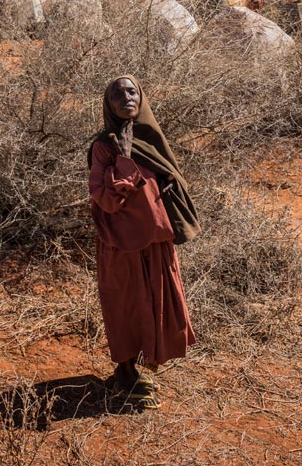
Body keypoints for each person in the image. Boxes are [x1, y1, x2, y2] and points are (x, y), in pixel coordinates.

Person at [87, 76, 200, 410]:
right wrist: (122, 160)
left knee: (161, 305)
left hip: (155, 241)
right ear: (108, 104)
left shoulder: (151, 137)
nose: (126, 97)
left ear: (142, 97)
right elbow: (104, 198)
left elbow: (172, 178)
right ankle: (125, 370)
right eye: (117, 94)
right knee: (125, 306)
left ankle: (148, 369)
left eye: (132, 91)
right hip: (121, 244)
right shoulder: (104, 145)